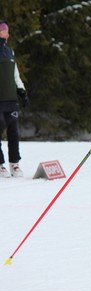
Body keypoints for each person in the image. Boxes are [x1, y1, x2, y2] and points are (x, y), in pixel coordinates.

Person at [0, 20, 29, 178]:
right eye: (5, 31)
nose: (7, 33)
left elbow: (15, 75)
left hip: (11, 99)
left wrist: (22, 92)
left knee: (13, 132)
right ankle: (0, 165)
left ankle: (14, 164)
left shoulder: (10, 52)